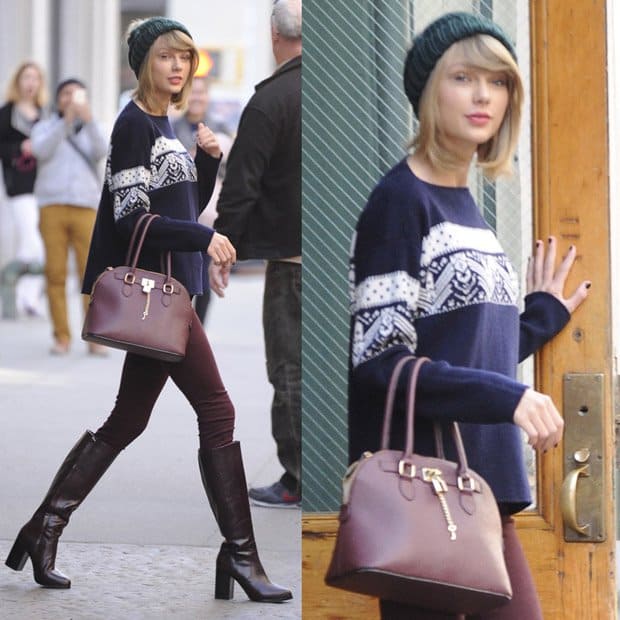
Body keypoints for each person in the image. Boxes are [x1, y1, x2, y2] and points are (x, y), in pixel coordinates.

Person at [5, 16, 291, 604]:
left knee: (129, 420)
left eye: (185, 57)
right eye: (167, 57)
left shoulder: (166, 122)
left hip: (170, 294)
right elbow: (132, 217)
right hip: (158, 298)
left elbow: (180, 200)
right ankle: (240, 556)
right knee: (216, 411)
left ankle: (44, 529)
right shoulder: (133, 124)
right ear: (143, 64)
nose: (179, 67)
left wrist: (207, 161)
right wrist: (202, 239)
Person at [347, 12, 590, 620]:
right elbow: (380, 361)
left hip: (480, 490)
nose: (485, 96)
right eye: (463, 77)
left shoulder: (464, 201)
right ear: (429, 90)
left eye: (500, 82)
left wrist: (538, 317)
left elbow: (464, 344)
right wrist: (508, 398)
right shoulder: (400, 202)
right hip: (425, 492)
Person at [210, 0, 302, 508]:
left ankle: (297, 477)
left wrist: (224, 246)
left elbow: (242, 185)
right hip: (344, 262)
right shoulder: (341, 89)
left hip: (292, 266)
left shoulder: (271, 100)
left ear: (273, 35)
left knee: (289, 369)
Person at [30, 78, 108, 355]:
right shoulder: (45, 126)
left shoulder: (92, 127)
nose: (71, 99)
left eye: (76, 94)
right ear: (58, 98)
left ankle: (95, 335)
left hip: (85, 205)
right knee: (55, 273)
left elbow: (102, 152)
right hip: (51, 205)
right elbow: (41, 150)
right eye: (65, 94)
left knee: (91, 273)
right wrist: (65, 123)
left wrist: (87, 121)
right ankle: (61, 336)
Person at [173, 76, 233, 324]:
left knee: (204, 277)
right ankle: (178, 328)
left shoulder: (219, 128)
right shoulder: (172, 127)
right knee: (181, 276)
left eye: (201, 93)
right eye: (192, 92)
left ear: (208, 96)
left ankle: (198, 330)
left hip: (209, 212)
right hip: (181, 211)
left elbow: (231, 164)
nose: (197, 98)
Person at [0, 61, 47, 316]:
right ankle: (26, 297)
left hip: (43, 184)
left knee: (31, 243)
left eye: (35, 78)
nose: (30, 83)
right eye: (26, 77)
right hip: (18, 185)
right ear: (18, 81)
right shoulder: (7, 112)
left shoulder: (44, 112)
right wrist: (20, 148)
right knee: (34, 242)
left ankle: (26, 297)